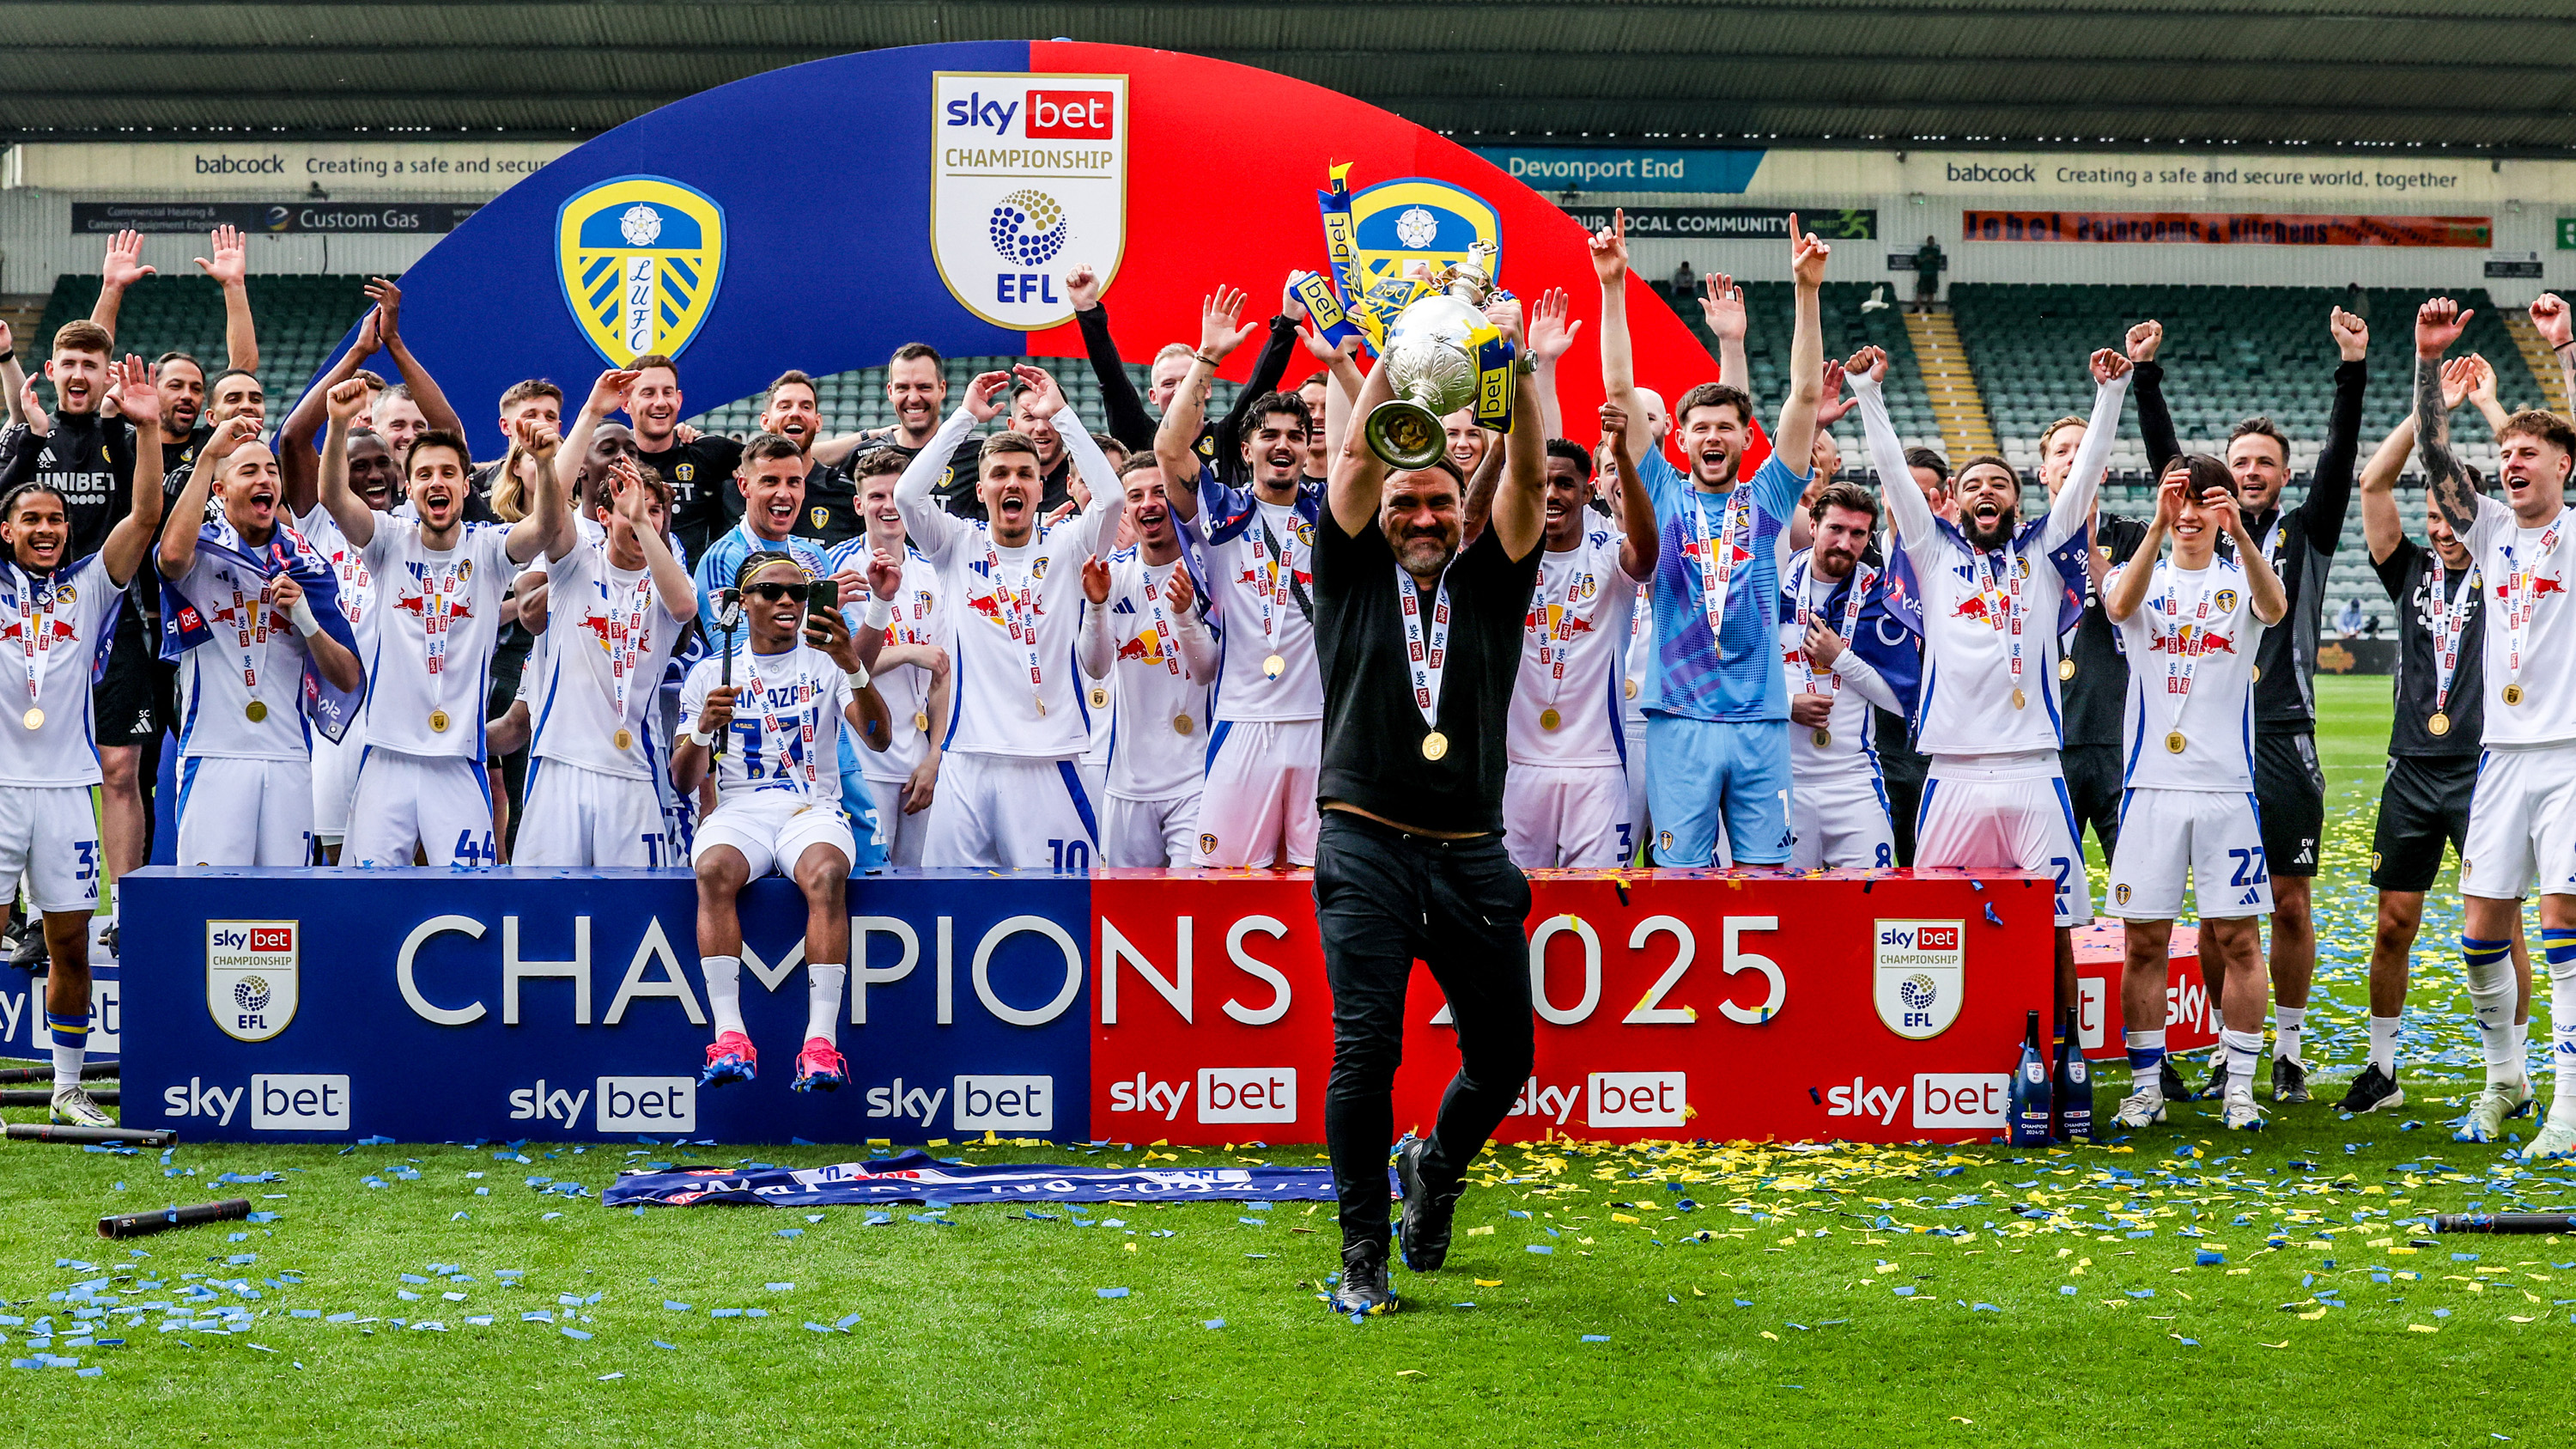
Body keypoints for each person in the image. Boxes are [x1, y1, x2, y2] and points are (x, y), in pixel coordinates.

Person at [1310, 286, 1546, 1316]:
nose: (1420, 515)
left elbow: (1529, 480)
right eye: (1408, 502)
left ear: (1463, 510)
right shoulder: (1350, 567)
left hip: (1470, 850)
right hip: (1362, 837)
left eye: (1439, 502)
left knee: (1504, 1059)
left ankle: (1435, 1172)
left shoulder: (1493, 579)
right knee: (1367, 1047)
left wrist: (1523, 378)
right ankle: (1362, 1252)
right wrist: (1396, 364)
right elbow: (1358, 462)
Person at [1851, 340, 2130, 1017]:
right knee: (1931, 931)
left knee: (2060, 929)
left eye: (1999, 485)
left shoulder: (2044, 548)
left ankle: (2064, 1060)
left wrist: (2110, 395)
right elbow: (1891, 473)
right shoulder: (1931, 551)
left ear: (2017, 498)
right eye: (1973, 485)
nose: (1986, 493)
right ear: (1954, 502)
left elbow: (2086, 474)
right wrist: (1867, 394)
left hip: (2037, 770)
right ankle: (1945, 1058)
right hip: (1952, 771)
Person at [2133, 306, 2367, 1105]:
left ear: (2283, 474)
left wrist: (2351, 370)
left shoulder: (2308, 529)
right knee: (2214, 914)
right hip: (2206, 741)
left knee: (2290, 898)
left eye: (2266, 461)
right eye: (2241, 461)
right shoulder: (2198, 526)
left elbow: (2340, 459)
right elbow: (2171, 466)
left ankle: (2290, 1050)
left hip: (2282, 734)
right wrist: (2148, 376)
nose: (2253, 470)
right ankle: (2221, 1047)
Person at [1598, 208, 1827, 868]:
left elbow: (1805, 398)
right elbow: (1618, 386)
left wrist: (1806, 293)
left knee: (1764, 879)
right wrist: (1613, 285)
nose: (1713, 437)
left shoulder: (1770, 496)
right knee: (1681, 879)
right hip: (1679, 722)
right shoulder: (1663, 490)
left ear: (1747, 438)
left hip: (1759, 721)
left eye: (1726, 426)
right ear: (1680, 436)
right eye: (1699, 427)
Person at [2415, 295, 2576, 1158]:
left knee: (2561, 930)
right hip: (2500, 760)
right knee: (2481, 935)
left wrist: (2565, 348)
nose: (2511, 462)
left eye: (2529, 453)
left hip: (2571, 756)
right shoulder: (2487, 536)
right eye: (2505, 452)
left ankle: (2569, 1105)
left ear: (2564, 466)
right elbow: (2438, 458)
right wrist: (2425, 362)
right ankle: (2506, 1077)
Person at [2348, 365, 2529, 1117]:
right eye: (2434, 518)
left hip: (2487, 767)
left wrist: (2481, 412)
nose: (2443, 530)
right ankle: (2383, 1070)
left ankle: (2510, 1077)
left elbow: (2531, 500)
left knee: (2500, 920)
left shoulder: (2505, 555)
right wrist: (2430, 417)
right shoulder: (2411, 569)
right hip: (2413, 767)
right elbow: (2371, 485)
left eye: (2453, 516)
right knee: (2394, 920)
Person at [0, 353, 163, 1127]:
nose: (45, 530)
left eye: (55, 520)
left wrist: (150, 428)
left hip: (69, 790)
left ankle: (68, 1089)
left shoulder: (88, 585)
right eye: (30, 519)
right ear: (6, 529)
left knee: (71, 944)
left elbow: (144, 519)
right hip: (0, 787)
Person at [2102, 454, 2287, 1131]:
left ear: (2225, 508)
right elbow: (2118, 606)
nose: (2187, 512)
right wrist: (2154, 524)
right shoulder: (2136, 574)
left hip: (2224, 789)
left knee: (2239, 940)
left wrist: (2241, 537)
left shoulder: (2243, 581)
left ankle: (2239, 1085)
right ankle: (2147, 1086)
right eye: (2175, 497)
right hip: (2150, 786)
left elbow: (2276, 607)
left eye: (2202, 499)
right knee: (2143, 943)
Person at [319, 378, 570, 868]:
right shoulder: (388, 540)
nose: (438, 482)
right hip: (386, 758)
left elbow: (545, 527)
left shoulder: (489, 549)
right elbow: (332, 497)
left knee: (470, 901)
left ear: (463, 485)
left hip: (458, 762)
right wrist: (335, 425)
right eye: (426, 474)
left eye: (449, 473)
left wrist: (543, 463)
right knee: (364, 902)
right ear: (408, 487)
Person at [896, 366, 1124, 868]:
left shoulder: (1068, 545)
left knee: (1059, 910)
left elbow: (1111, 499)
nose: (1012, 483)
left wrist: (1061, 414)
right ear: (981, 492)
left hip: (1049, 760)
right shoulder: (956, 544)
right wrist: (962, 419)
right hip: (966, 758)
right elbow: (907, 496)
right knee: (948, 910)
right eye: (999, 474)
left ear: (1043, 490)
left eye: (1025, 474)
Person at [673, 551, 879, 1093]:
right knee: (713, 870)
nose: (787, 600)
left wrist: (851, 663)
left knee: (828, 876)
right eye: (770, 591)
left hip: (812, 807)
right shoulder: (712, 672)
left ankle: (820, 1042)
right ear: (743, 604)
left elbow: (878, 735)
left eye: (798, 591)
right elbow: (681, 780)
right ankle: (730, 1034)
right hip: (742, 809)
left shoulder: (825, 661)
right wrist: (701, 730)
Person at [1155, 289, 1327, 868]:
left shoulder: (1330, 511)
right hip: (1241, 720)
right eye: (1270, 435)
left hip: (1320, 724)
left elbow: (1361, 454)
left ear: (1308, 448)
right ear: (1247, 447)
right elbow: (1167, 447)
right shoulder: (1221, 508)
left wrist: (1342, 362)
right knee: (1222, 880)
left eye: (1295, 435)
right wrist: (1206, 359)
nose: (1283, 444)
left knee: (1323, 884)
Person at [154, 416, 365, 865]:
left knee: (285, 912)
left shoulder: (307, 564)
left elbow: (348, 677)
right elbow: (170, 556)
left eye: (271, 470)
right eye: (248, 471)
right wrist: (209, 456)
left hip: (287, 755)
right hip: (213, 753)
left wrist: (307, 620)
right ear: (220, 490)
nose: (265, 478)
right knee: (210, 908)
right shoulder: (200, 551)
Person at [513, 454, 697, 867]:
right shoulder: (576, 562)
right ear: (603, 516)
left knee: (635, 912)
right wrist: (593, 410)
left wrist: (642, 520)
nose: (641, 516)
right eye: (630, 508)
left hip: (633, 772)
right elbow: (550, 506)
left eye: (654, 509)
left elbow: (684, 609)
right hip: (560, 764)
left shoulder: (671, 581)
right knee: (543, 909)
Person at [1501, 429, 1654, 868]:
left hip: (1597, 767)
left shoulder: (1608, 552)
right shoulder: (1506, 557)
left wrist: (1623, 456)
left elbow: (1645, 552)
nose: (1552, 494)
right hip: (1518, 765)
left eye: (1565, 484)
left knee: (1601, 903)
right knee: (1513, 902)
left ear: (1589, 492)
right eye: (1542, 483)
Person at [1079, 457, 1218, 867]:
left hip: (1195, 780)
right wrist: (1098, 605)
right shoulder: (1110, 574)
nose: (1148, 504)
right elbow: (1096, 667)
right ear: (1125, 510)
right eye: (1135, 496)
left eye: (1159, 492)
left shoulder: (1209, 570)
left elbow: (1207, 669)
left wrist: (1184, 616)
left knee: (1192, 907)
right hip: (1126, 785)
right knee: (1127, 917)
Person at [1777, 481, 1917, 869]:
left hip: (1854, 781)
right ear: (1813, 525)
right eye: (1835, 529)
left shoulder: (1882, 595)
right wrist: (1787, 705)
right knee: (1785, 913)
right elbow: (1735, 675)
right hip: (1783, 780)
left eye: (1857, 534)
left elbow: (1901, 701)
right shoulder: (1775, 583)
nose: (1845, 543)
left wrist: (1841, 659)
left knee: (1872, 909)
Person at [829, 450, 949, 867]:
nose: (889, 505)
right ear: (859, 504)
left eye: (897, 494)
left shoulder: (933, 570)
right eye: (877, 495)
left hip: (918, 757)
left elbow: (942, 673)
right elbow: (839, 665)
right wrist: (908, 653)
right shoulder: (837, 568)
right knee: (870, 878)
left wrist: (935, 754)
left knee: (916, 881)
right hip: (864, 758)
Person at [1876, 445, 1951, 864]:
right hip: (1877, 742)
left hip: (1942, 743)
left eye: (1921, 497)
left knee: (1935, 872)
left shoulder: (1960, 562)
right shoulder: (1858, 558)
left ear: (1939, 500)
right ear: (1885, 492)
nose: (1907, 505)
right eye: (1898, 490)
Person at [692, 433, 831, 622]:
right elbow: (731, 647)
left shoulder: (815, 556)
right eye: (770, 481)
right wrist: (816, 618)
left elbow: (849, 646)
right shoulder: (722, 560)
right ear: (744, 486)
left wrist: (879, 604)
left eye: (793, 482)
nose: (783, 493)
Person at [621, 352, 742, 562]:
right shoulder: (610, 459)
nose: (660, 402)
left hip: (692, 588)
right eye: (648, 393)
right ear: (626, 403)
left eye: (667, 393)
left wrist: (750, 469)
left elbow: (786, 460)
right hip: (625, 587)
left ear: (679, 399)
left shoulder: (705, 450)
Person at [1912, 235, 1944, 312]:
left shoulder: (1936, 251)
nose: (1931, 243)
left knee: (1931, 291)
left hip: (1933, 274)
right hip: (1924, 273)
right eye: (1930, 241)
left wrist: (1932, 259)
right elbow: (1919, 261)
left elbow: (1939, 263)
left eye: (1932, 242)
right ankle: (1917, 307)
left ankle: (1929, 307)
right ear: (1927, 242)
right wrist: (1925, 258)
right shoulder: (1923, 250)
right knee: (1920, 290)